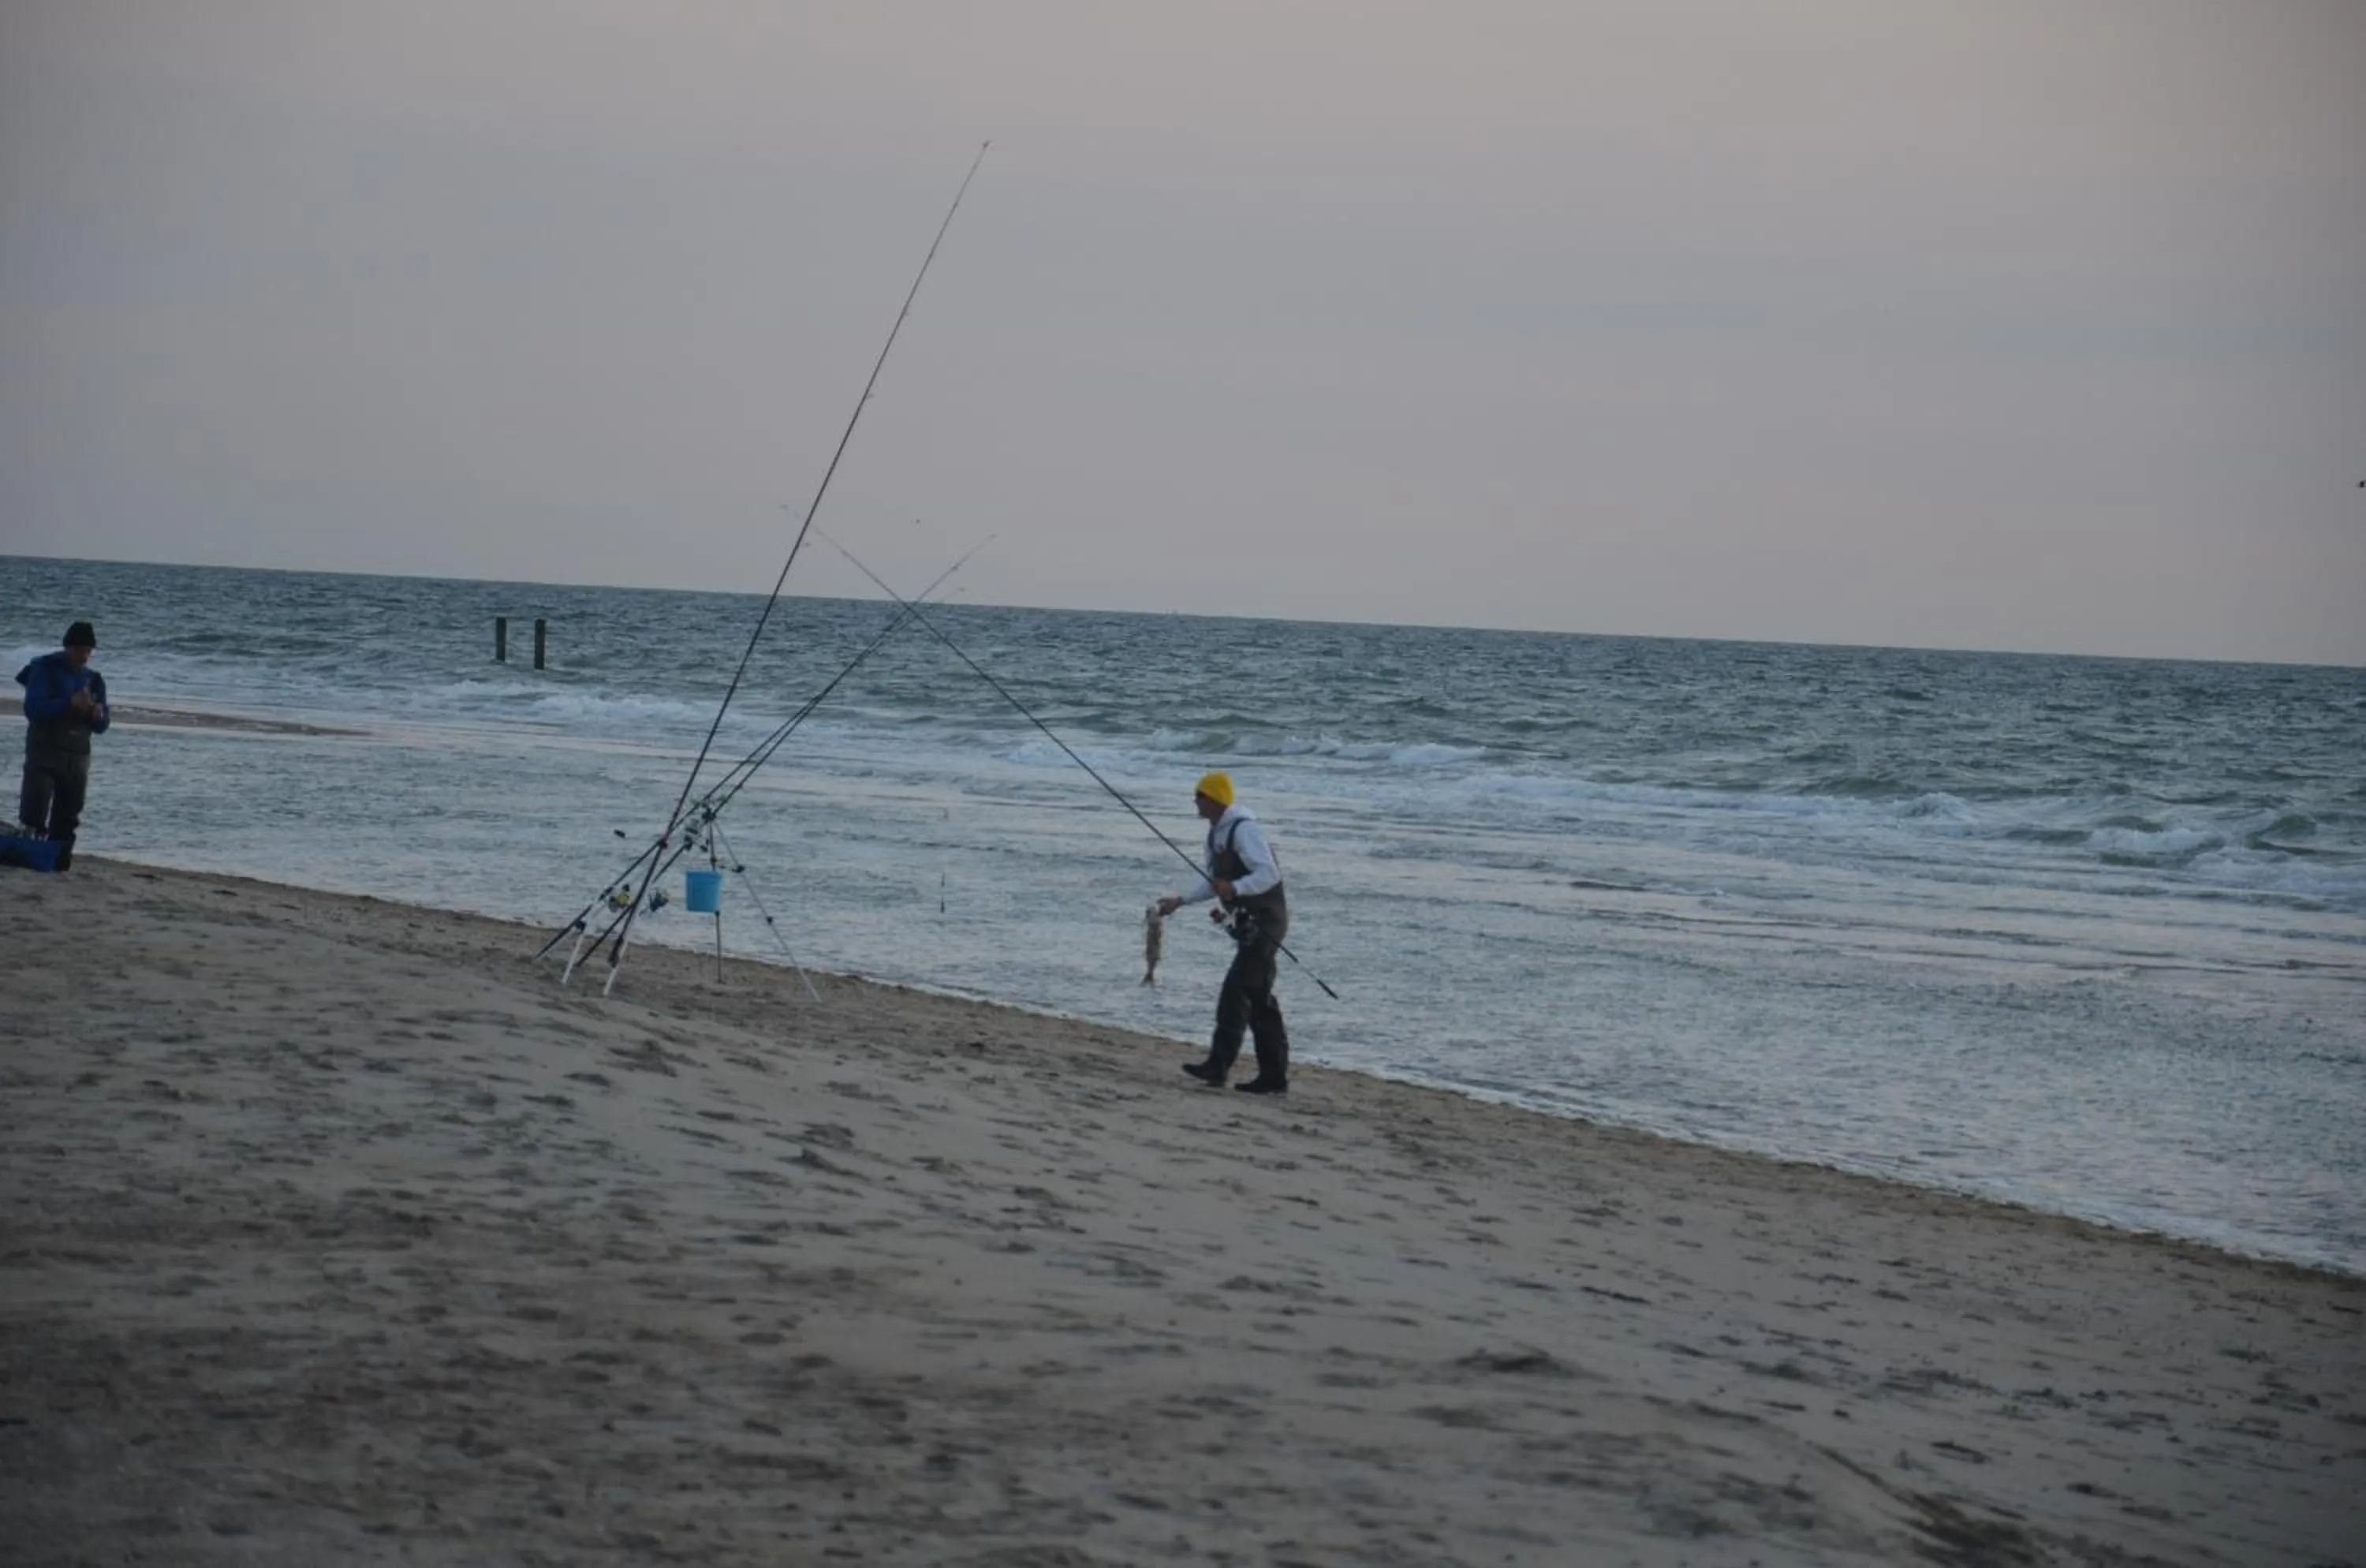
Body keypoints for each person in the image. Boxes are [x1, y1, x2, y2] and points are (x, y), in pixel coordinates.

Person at [1155, 771, 1292, 1095]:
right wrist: (1181, 901)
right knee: (1255, 997)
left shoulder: (1246, 831)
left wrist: (1236, 887)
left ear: (1213, 799)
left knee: (1240, 992)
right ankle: (1266, 1074)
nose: (1195, 803)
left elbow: (1269, 874)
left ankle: (1227, 1067)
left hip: (1266, 922)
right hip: (1244, 924)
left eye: (1199, 796)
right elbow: (1213, 882)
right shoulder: (1215, 835)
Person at [17, 621, 110, 872]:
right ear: (68, 647)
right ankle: (28, 858)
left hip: (77, 755)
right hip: (44, 750)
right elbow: (34, 710)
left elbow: (103, 726)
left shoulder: (94, 680)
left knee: (69, 814)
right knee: (35, 808)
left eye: (89, 650)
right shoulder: (44, 669)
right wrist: (69, 703)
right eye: (80, 649)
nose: (85, 655)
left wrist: (97, 714)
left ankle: (59, 863)